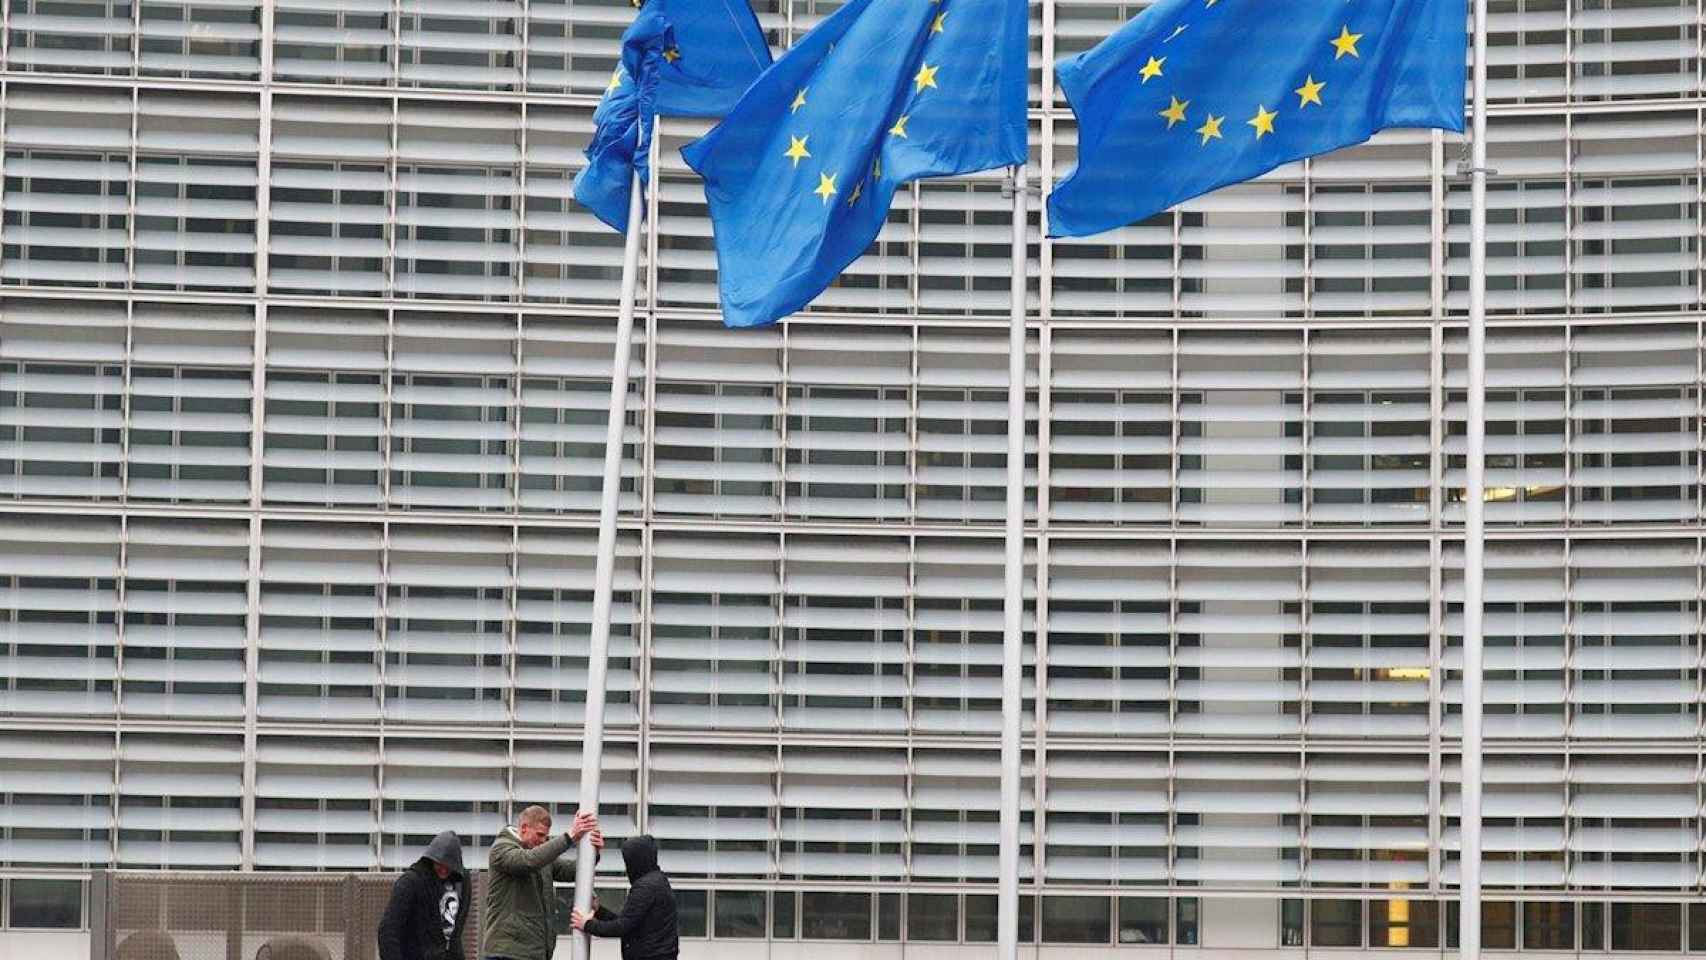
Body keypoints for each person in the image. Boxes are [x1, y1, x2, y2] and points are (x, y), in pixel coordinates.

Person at [482, 806, 602, 960]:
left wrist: (593, 853)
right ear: (524, 828)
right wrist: (569, 837)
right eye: (539, 835)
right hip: (507, 952)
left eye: (546, 837)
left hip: (535, 952)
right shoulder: (501, 849)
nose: (543, 841)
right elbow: (528, 861)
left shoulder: (540, 855)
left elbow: (570, 871)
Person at [570, 835, 677, 960]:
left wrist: (587, 925)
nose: (627, 868)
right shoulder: (656, 881)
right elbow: (629, 921)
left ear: (637, 860)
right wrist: (599, 911)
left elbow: (622, 927)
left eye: (628, 862)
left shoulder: (646, 888)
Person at [378, 830, 469, 960]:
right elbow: (388, 931)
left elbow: (457, 930)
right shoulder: (410, 883)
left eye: (448, 866)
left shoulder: (463, 882)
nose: (443, 869)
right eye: (439, 864)